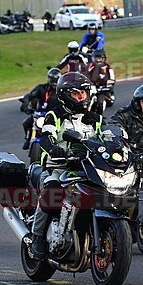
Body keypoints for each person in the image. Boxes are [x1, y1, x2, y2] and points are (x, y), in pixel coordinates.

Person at [29, 73, 101, 260]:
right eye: (76, 94)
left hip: (87, 169)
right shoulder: (55, 115)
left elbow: (108, 138)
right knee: (52, 192)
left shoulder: (95, 119)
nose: (81, 98)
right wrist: (54, 149)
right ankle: (37, 237)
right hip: (58, 168)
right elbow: (46, 137)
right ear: (65, 95)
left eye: (83, 93)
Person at [21, 68, 61, 150]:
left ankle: (60, 144)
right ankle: (28, 139)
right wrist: (25, 103)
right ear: (49, 79)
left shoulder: (61, 91)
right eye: (52, 80)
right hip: (40, 114)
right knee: (26, 123)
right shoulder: (41, 88)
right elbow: (30, 96)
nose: (54, 82)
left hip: (55, 115)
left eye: (56, 80)